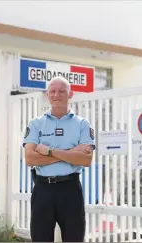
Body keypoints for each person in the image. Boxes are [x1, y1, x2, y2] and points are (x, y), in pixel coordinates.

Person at [23, 76, 95, 242]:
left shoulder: (82, 124)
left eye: (62, 91)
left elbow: (85, 160)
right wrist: (71, 153)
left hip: (70, 189)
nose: (57, 95)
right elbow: (30, 158)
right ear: (47, 95)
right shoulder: (36, 123)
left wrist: (49, 151)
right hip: (43, 189)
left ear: (70, 94)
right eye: (52, 91)